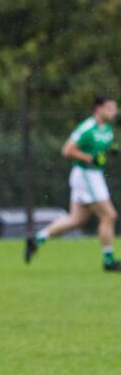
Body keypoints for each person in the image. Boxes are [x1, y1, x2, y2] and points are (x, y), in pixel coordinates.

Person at [25, 95, 121, 271]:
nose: (115, 112)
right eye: (110, 108)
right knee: (109, 215)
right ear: (99, 109)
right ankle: (108, 261)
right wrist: (90, 158)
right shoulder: (87, 128)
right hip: (86, 175)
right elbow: (67, 150)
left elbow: (105, 147)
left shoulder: (107, 128)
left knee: (76, 220)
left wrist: (113, 150)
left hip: (94, 176)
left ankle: (37, 239)